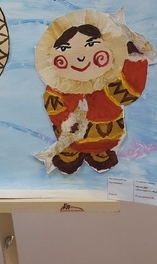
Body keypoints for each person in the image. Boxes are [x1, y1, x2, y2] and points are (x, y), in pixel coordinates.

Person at [33, 9, 149, 174]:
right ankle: (70, 152)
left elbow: (130, 91)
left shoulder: (109, 83)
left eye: (91, 45)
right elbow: (54, 107)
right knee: (69, 145)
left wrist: (133, 59)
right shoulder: (60, 86)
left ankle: (99, 152)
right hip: (70, 138)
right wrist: (67, 120)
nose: (81, 58)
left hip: (105, 135)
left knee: (100, 147)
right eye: (65, 48)